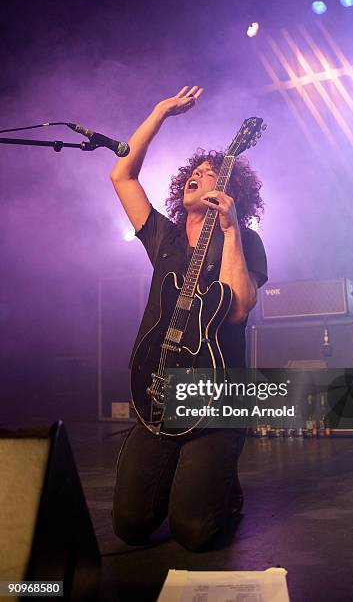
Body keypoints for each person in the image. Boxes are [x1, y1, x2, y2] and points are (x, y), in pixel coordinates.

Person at [110, 86, 268, 552]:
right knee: (130, 526)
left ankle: (222, 485)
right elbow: (123, 174)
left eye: (210, 172)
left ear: (230, 189)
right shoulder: (164, 237)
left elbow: (238, 307)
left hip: (217, 398)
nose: (198, 176)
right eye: (193, 173)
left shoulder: (246, 238)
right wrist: (159, 111)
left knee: (195, 533)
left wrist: (232, 228)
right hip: (160, 390)